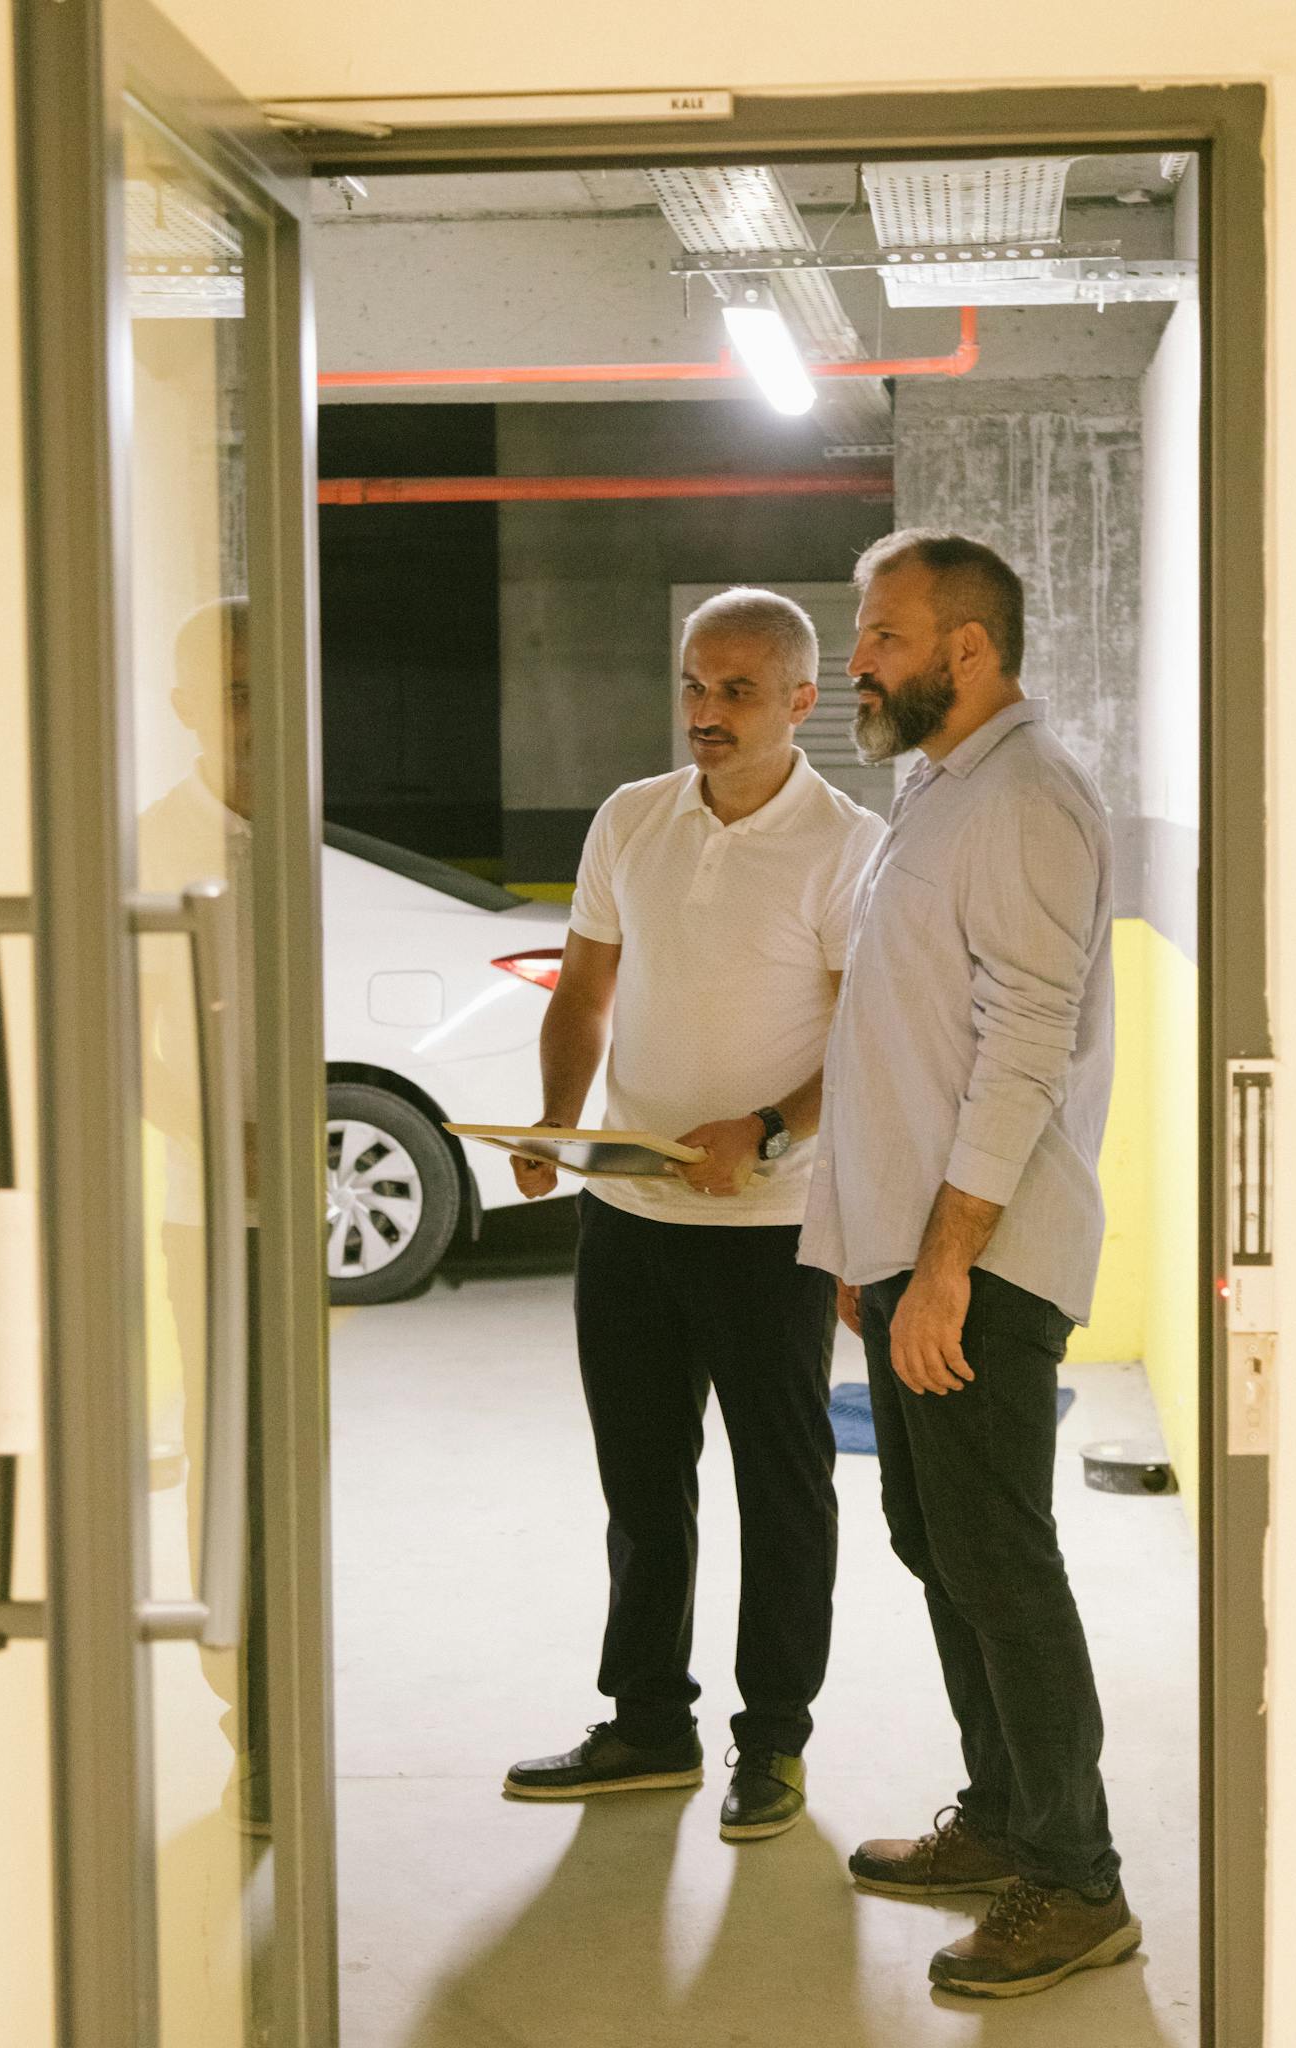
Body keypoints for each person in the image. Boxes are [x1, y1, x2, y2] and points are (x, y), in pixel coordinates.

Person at [799, 531, 1141, 1996]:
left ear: (969, 650)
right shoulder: (938, 791)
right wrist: (863, 1250)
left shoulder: (1025, 802)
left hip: (982, 1256)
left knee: (1000, 1562)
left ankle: (1078, 1882)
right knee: (940, 1547)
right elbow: (896, 1039)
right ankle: (1007, 1818)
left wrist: (940, 1266)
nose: (858, 661)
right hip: (912, 1250)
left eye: (881, 637)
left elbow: (1020, 1052)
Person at [503, 588, 885, 1840]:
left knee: (784, 1488)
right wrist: (560, 1120)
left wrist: (770, 1128)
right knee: (642, 1482)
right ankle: (648, 1721)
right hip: (629, 1217)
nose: (705, 713)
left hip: (772, 1227)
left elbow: (866, 1036)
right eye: (693, 684)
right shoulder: (631, 817)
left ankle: (773, 1741)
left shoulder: (846, 844)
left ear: (797, 702)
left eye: (734, 691)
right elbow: (583, 992)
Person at [139, 596, 269, 1835]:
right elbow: (123, 1038)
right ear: (184, 704)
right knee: (229, 1478)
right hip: (209, 1218)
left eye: (265, 681)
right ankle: (248, 1729)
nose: (251, 707)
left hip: (300, 1218)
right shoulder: (151, 843)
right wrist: (215, 1131)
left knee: (301, 1471)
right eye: (227, 686)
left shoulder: (308, 834)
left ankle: (293, 1712)